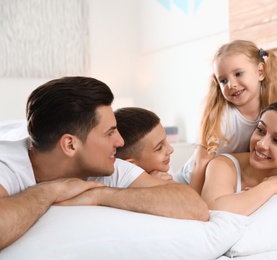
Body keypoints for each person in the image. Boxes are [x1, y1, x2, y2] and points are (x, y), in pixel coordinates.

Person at [0, 76, 209, 250]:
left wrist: (100, 195)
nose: (120, 141)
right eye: (109, 133)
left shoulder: (106, 166)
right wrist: (50, 191)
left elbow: (195, 207)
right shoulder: (7, 163)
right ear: (70, 145)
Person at [175, 40, 277, 194]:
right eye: (223, 80)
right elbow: (200, 162)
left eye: (238, 74)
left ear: (260, 72)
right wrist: (195, 201)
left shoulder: (273, 111)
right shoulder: (223, 116)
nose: (231, 84)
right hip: (191, 182)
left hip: (224, 179)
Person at [114, 107, 174, 180]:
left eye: (166, 140)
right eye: (159, 148)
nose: (171, 149)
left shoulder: (165, 169)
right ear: (131, 165)